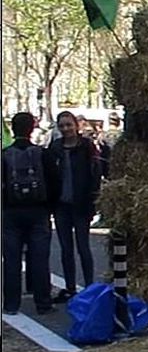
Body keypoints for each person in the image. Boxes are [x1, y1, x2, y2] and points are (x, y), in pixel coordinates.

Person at [2, 112, 56, 315]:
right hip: (38, 210)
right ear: (32, 129)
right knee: (40, 259)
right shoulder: (42, 154)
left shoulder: (5, 155)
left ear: (13, 129)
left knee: (11, 260)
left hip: (11, 212)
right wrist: (49, 207)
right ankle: (43, 302)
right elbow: (55, 181)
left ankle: (11, 304)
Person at [46, 111, 102, 302]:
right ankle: (70, 287)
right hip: (61, 204)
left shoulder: (86, 146)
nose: (66, 129)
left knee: (83, 246)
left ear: (76, 126)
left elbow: (95, 173)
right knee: (66, 249)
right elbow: (49, 175)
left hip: (81, 203)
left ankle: (89, 287)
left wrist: (94, 199)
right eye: (62, 125)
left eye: (69, 125)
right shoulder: (55, 147)